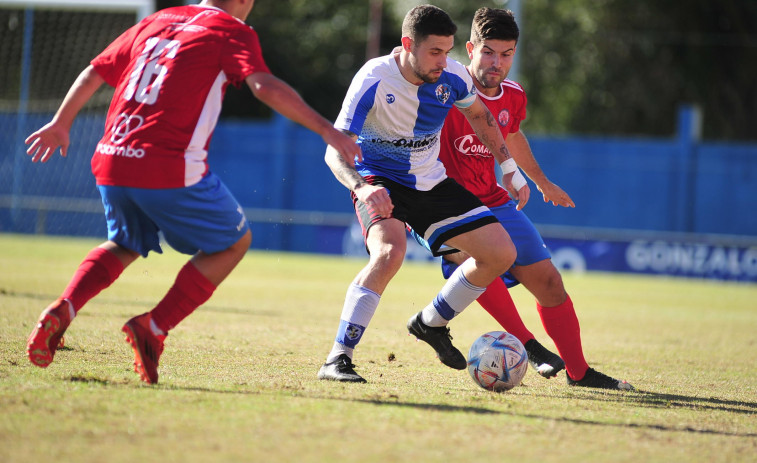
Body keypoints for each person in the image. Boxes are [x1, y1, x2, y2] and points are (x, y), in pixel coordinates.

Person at [24, 0, 360, 385]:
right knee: (233, 243)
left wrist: (61, 123)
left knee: (124, 242)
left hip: (111, 157)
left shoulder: (157, 19)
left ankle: (64, 306)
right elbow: (263, 85)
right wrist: (326, 130)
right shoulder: (231, 30)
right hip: (167, 164)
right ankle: (153, 326)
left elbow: (95, 70)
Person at [413, 7, 633, 390]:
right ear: (470, 48)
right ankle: (529, 346)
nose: (497, 63)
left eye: (507, 53)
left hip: (493, 200)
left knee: (549, 283)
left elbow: (511, 135)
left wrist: (540, 181)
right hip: (438, 203)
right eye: (488, 52)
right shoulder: (443, 86)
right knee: (479, 258)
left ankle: (580, 374)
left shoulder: (512, 95)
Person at [317, 5, 526, 383]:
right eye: (434, 52)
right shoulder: (374, 78)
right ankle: (338, 357)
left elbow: (481, 116)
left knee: (501, 253)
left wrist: (509, 167)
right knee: (389, 253)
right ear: (407, 44)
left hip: (430, 181)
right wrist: (363, 188)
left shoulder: (453, 76)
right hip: (378, 179)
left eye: (447, 51)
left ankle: (431, 322)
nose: (443, 61)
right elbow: (335, 149)